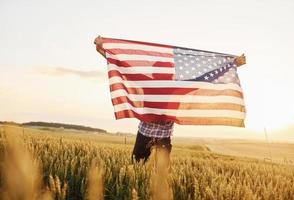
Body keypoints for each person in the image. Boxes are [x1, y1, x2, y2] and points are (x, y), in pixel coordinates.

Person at [94, 36, 246, 163]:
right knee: (156, 173)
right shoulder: (174, 87)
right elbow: (203, 80)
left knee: (138, 167)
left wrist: (103, 49)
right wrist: (232, 64)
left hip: (149, 135)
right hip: (158, 136)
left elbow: (122, 66)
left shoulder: (147, 82)